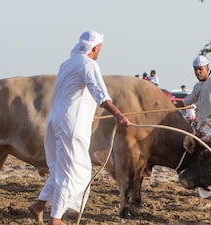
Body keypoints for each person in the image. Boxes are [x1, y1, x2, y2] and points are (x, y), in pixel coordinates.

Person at [28, 30, 131, 225]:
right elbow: (101, 95)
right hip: (70, 124)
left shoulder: (67, 64)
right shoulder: (89, 64)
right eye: (100, 47)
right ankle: (56, 218)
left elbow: (72, 95)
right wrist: (118, 115)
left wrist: (88, 114)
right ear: (95, 47)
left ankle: (39, 205)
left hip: (56, 120)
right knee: (75, 172)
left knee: (61, 168)